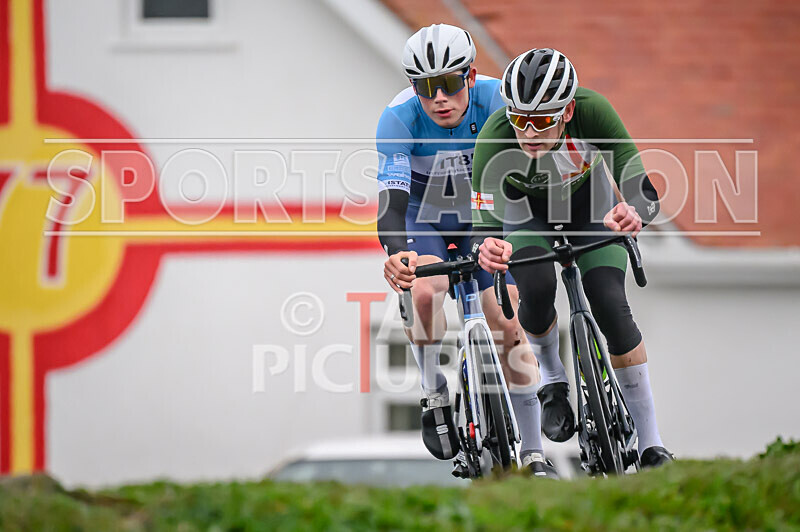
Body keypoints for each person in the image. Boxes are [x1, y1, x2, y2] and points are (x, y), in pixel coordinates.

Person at [471, 48, 674, 467]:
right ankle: (552, 377)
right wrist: (489, 247)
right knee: (536, 286)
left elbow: (642, 189)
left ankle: (651, 444)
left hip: (590, 205)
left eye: (542, 120)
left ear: (567, 112)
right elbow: (483, 223)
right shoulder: (494, 135)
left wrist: (633, 210)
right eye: (519, 118)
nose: (528, 131)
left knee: (610, 305)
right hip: (527, 213)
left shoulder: (594, 111)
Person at [376, 25, 557, 477]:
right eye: (425, 87)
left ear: (471, 77)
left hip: (485, 216)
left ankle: (533, 452)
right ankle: (434, 389)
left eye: (450, 84)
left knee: (507, 322)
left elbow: (528, 175)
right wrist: (398, 253)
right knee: (423, 290)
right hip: (425, 217)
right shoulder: (397, 118)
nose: (439, 97)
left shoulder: (499, 101)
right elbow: (391, 203)